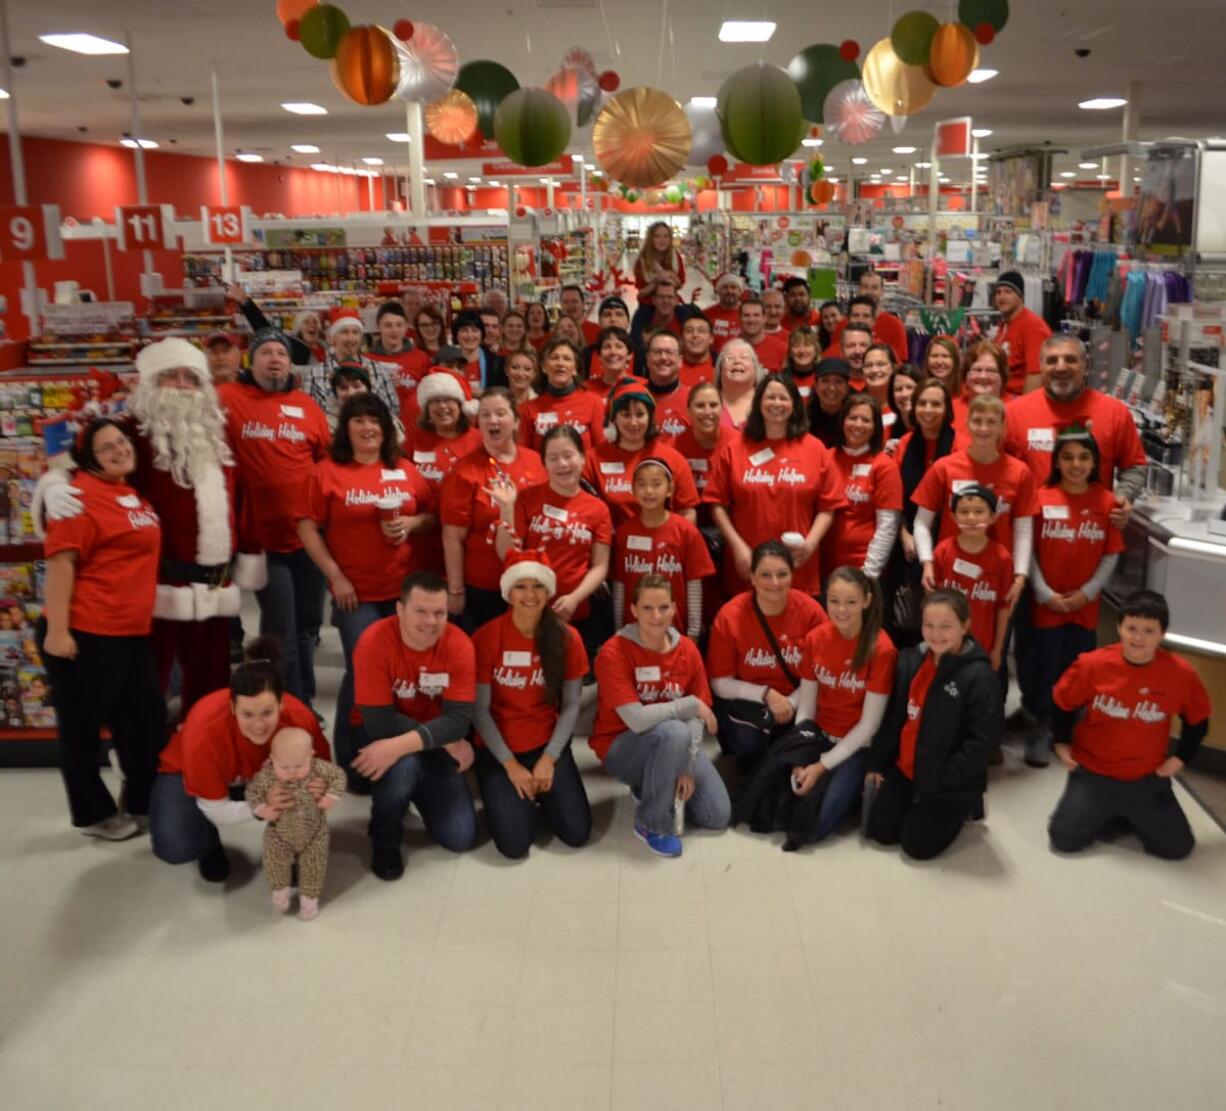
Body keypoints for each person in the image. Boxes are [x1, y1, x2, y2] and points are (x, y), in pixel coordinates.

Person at [38, 336, 253, 718]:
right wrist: (54, 487)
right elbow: (74, 464)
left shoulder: (218, 432)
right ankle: (147, 761)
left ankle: (205, 753)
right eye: (172, 376)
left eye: (191, 377)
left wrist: (250, 555)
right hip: (155, 584)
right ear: (152, 382)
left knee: (212, 683)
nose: (184, 385)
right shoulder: (130, 431)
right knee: (147, 683)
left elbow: (242, 498)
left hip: (215, 581)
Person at [297, 393, 434, 783]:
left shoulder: (404, 469)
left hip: (404, 592)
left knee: (398, 672)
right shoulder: (327, 471)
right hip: (355, 593)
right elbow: (307, 526)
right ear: (347, 428)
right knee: (363, 672)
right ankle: (352, 758)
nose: (367, 427)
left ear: (386, 427)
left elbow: (429, 513)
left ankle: (392, 747)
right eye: (358, 420)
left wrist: (411, 524)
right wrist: (335, 576)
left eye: (374, 419)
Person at [40, 417, 166, 841]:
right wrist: (58, 631)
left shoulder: (128, 492)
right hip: (85, 632)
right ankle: (93, 815)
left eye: (122, 442)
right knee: (81, 730)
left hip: (129, 632)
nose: (119, 450)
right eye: (107, 447)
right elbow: (61, 565)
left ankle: (143, 801)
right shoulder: (78, 498)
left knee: (144, 721)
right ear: (87, 458)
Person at [150, 638, 332, 883]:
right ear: (233, 708)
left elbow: (323, 776)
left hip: (260, 779)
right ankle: (207, 843)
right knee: (176, 847)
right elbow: (217, 811)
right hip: (188, 772)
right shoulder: (205, 731)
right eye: (247, 714)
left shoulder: (301, 720)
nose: (258, 725)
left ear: (281, 704)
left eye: (267, 712)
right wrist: (261, 807)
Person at [1047, 589, 1210, 860]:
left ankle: (1123, 814)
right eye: (1132, 628)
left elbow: (1198, 721)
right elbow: (1062, 703)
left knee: (1177, 849)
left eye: (1149, 630)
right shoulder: (1092, 665)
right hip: (1094, 772)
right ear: (1119, 627)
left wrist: (1181, 758)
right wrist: (1061, 742)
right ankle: (1111, 812)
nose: (1138, 637)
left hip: (1146, 776)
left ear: (1162, 634)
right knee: (1064, 839)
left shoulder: (1181, 674)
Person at [218, 330, 331, 705]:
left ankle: (303, 702)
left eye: (281, 353)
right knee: (281, 626)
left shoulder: (306, 405)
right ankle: (289, 704)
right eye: (266, 352)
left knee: (308, 626)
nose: (275, 359)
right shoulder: (228, 400)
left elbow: (325, 463)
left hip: (309, 537)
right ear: (252, 360)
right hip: (262, 540)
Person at [350, 572, 478, 879]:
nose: (430, 622)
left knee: (460, 837)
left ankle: (416, 789)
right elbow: (381, 723)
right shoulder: (373, 642)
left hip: (425, 740)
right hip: (389, 738)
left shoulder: (459, 644)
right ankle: (385, 839)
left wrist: (435, 739)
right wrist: (441, 740)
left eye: (439, 613)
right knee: (402, 764)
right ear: (399, 609)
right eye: (420, 611)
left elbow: (460, 720)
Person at [591, 574, 730, 857]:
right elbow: (636, 719)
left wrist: (687, 765)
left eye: (664, 607)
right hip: (624, 747)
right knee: (673, 730)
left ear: (675, 607)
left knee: (717, 816)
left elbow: (696, 718)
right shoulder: (613, 652)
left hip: (676, 742)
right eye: (647, 608)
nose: (657, 616)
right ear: (633, 610)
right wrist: (687, 705)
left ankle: (657, 781)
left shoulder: (688, 650)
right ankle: (651, 824)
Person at [864, 588, 1002, 860]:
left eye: (946, 626)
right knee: (881, 831)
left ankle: (966, 806)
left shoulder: (980, 677)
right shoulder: (911, 660)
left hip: (946, 780)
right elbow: (895, 719)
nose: (936, 634)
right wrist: (878, 764)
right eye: (928, 625)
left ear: (965, 626)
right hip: (908, 769)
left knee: (916, 847)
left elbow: (983, 742)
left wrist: (943, 778)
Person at [471, 550, 592, 859]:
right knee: (514, 845)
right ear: (507, 592)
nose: (529, 594)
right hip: (500, 753)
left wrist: (549, 758)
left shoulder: (567, 637)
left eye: (537, 586)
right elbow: (480, 711)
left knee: (577, 834)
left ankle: (542, 795)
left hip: (546, 745)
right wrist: (510, 765)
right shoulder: (486, 637)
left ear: (549, 591)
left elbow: (572, 704)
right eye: (520, 586)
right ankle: (513, 796)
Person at [1026, 428, 1125, 767]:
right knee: (1045, 670)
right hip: (1047, 605)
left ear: (1095, 462)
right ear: (1056, 461)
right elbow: (1030, 552)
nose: (1076, 464)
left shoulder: (1106, 502)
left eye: (1084, 457)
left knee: (1078, 670)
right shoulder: (1042, 497)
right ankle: (1040, 727)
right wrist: (1044, 593)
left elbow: (1110, 555)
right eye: (1067, 457)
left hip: (1084, 608)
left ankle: (1066, 733)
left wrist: (1086, 594)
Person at [786, 566, 897, 846]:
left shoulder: (881, 649)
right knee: (788, 806)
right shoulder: (816, 638)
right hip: (819, 736)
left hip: (856, 746)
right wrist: (802, 756)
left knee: (816, 827)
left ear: (866, 601)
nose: (841, 610)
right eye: (834, 601)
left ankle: (861, 789)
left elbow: (869, 726)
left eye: (851, 602)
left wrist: (820, 767)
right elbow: (807, 708)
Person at [706, 374, 844, 597]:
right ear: (759, 402)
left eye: (784, 398)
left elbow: (828, 507)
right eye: (770, 397)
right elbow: (717, 504)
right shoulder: (734, 448)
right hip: (748, 563)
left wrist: (810, 544)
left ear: (794, 404)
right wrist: (736, 546)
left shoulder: (815, 449)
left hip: (798, 566)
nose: (777, 404)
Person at [1004, 335, 1148, 527]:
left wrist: (1122, 497)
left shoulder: (1115, 413)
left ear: (1086, 365)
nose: (1061, 367)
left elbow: (1134, 466)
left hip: (1093, 534)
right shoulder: (1014, 413)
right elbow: (1000, 471)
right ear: (1041, 366)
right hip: (1031, 536)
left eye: (1070, 359)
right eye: (1052, 360)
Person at [706, 541, 827, 766]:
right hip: (751, 704)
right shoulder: (730, 616)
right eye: (765, 575)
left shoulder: (811, 612)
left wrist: (791, 703)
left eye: (782, 574)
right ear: (751, 578)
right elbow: (720, 682)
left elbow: (823, 673)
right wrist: (766, 694)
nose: (775, 583)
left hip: (801, 699)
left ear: (792, 575)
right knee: (748, 745)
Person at [498, 424, 612, 660]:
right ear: (544, 463)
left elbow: (600, 565)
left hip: (573, 610)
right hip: (527, 607)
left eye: (568, 456)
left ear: (582, 458)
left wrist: (575, 598)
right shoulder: (527, 498)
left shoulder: (598, 509)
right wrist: (506, 510)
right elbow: (507, 554)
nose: (562, 464)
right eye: (553, 458)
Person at [914, 394, 1036, 612]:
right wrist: (927, 562)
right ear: (967, 424)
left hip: (998, 576)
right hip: (951, 572)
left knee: (995, 642)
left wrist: (1020, 576)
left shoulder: (1020, 472)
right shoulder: (944, 468)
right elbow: (922, 522)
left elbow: (1024, 529)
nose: (983, 428)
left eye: (991, 422)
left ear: (1002, 427)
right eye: (977, 421)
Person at [441, 388, 547, 630]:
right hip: (485, 586)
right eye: (485, 414)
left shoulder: (536, 461)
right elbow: (452, 537)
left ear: (516, 421)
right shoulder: (465, 471)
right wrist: (456, 589)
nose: (492, 420)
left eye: (500, 413)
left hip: (533, 580)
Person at [244, 727, 345, 920]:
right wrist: (262, 810)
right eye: (284, 767)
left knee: (314, 865)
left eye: (299, 766)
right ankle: (279, 889)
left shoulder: (319, 768)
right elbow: (252, 792)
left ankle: (309, 898)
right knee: (274, 861)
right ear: (272, 758)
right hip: (279, 832)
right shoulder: (268, 775)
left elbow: (338, 776)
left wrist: (331, 796)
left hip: (315, 832)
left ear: (311, 755)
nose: (292, 773)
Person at [610, 458, 714, 636]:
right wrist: (618, 630)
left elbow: (694, 584)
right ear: (633, 489)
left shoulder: (686, 531)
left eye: (656, 484)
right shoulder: (623, 533)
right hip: (632, 632)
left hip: (676, 631)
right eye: (642, 485)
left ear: (670, 489)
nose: (649, 491)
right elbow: (619, 586)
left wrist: (694, 632)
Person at [926, 484, 1014, 689]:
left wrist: (997, 649)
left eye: (979, 512)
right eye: (964, 512)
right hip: (945, 644)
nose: (971, 518)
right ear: (954, 517)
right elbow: (932, 603)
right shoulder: (943, 552)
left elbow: (1003, 607)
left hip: (982, 645)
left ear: (993, 517)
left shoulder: (1002, 558)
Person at [583, 376, 700, 528]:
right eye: (625, 414)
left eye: (640, 414)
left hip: (662, 544)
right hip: (611, 546)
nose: (633, 422)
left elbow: (687, 512)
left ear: (650, 417)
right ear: (614, 418)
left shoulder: (672, 459)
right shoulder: (594, 459)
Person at [821, 394, 903, 580]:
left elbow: (887, 526)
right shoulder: (825, 458)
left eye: (866, 420)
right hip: (824, 566)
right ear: (843, 420)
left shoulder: (884, 465)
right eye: (852, 418)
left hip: (863, 568)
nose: (858, 424)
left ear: (875, 428)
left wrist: (868, 575)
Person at [309, 309, 401, 421]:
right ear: (332, 338)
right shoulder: (314, 374)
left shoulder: (378, 370)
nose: (350, 338)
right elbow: (309, 414)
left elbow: (393, 410)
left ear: (361, 338)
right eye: (344, 332)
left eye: (355, 332)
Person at [517, 336, 605, 452]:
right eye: (554, 358)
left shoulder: (594, 403)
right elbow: (524, 455)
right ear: (543, 366)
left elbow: (600, 451)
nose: (560, 363)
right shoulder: (527, 409)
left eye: (567, 359)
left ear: (575, 369)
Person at [991, 270, 1051, 395]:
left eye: (1008, 292)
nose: (1001, 297)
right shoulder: (1006, 324)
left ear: (1020, 296)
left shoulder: (1033, 327)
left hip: (1016, 400)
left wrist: (1023, 409)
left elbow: (1036, 374)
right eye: (998, 292)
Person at [672, 381, 731, 499]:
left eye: (713, 405)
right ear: (688, 410)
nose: (707, 412)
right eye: (700, 406)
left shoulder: (736, 443)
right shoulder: (673, 448)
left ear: (722, 409)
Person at [371, 300, 432, 408]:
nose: (394, 330)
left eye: (399, 325)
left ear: (406, 327)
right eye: (388, 325)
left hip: (413, 421)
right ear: (378, 327)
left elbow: (429, 395)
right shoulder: (367, 360)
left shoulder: (421, 359)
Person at [643, 330, 692, 441]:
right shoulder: (635, 396)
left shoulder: (693, 399)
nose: (663, 357)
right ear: (647, 358)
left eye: (669, 352)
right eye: (657, 352)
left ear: (680, 360)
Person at [853, 270, 908, 364]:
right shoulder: (843, 324)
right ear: (858, 290)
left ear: (882, 291)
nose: (869, 292)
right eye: (865, 287)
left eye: (874, 288)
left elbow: (899, 363)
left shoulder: (895, 325)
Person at [629, 274, 697, 346]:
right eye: (661, 297)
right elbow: (633, 345)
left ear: (677, 300)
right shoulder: (641, 317)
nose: (665, 301)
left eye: (670, 297)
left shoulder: (686, 317)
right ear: (653, 300)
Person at [451, 307, 506, 394]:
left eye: (475, 330)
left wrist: (481, 393)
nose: (470, 335)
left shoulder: (497, 363)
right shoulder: (446, 362)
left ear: (482, 334)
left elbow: (503, 395)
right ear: (456, 334)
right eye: (464, 330)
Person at [955, 339, 1007, 428]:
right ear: (966, 376)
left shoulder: (1016, 410)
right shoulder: (951, 410)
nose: (983, 376)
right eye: (977, 370)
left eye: (991, 370)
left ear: (1002, 376)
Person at [714, 338, 763, 431]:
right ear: (720, 369)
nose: (737, 361)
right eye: (730, 358)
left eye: (744, 357)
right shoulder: (707, 402)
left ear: (755, 368)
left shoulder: (767, 403)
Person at [807, 356, 852, 447]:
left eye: (839, 381)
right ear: (816, 385)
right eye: (825, 381)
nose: (832, 388)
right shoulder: (804, 420)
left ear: (847, 387)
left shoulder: (855, 418)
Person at [585, 324, 637, 400]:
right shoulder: (585, 389)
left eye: (619, 346)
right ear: (599, 356)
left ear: (629, 355)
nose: (613, 352)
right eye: (607, 347)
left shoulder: (642, 386)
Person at [633, 220, 685, 293]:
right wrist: (656, 281)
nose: (662, 240)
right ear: (650, 239)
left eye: (666, 236)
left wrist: (670, 274)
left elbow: (680, 285)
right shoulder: (642, 261)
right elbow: (641, 294)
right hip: (648, 303)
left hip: (670, 300)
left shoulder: (675, 257)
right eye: (657, 236)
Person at [736, 298, 788, 372]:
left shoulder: (782, 349)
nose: (751, 320)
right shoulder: (728, 348)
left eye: (756, 315)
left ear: (764, 318)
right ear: (740, 318)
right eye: (746, 315)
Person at [861, 342, 899, 436]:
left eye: (881, 364)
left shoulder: (903, 406)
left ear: (894, 368)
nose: (874, 370)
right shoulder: (854, 405)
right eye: (868, 365)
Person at [706, 272, 744, 353]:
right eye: (725, 287)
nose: (729, 291)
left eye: (733, 287)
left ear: (740, 291)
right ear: (718, 291)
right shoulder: (706, 315)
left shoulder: (749, 314)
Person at [782, 326, 821, 400]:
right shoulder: (781, 380)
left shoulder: (824, 377)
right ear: (790, 352)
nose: (802, 351)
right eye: (796, 346)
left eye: (807, 345)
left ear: (816, 350)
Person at [679, 313, 715, 387]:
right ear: (681, 338)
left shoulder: (721, 371)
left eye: (701, 331)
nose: (695, 335)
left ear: (711, 338)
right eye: (689, 331)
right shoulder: (670, 368)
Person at [921, 335, 962, 399]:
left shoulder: (966, 394)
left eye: (945, 356)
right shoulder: (919, 392)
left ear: (955, 360)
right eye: (934, 356)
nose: (939, 362)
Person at [888, 364, 920, 440]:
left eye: (910, 387)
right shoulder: (886, 433)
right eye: (898, 389)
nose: (904, 394)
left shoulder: (932, 431)